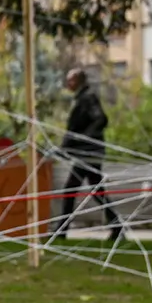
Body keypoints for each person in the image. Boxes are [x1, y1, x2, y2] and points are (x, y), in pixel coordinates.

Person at [55, 68, 116, 241]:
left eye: (71, 80)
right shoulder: (82, 98)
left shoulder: (88, 98)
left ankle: (62, 230)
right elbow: (76, 128)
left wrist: (85, 139)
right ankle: (117, 225)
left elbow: (101, 119)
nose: (68, 84)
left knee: (71, 189)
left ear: (79, 81)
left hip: (89, 153)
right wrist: (66, 147)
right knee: (96, 190)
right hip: (86, 151)